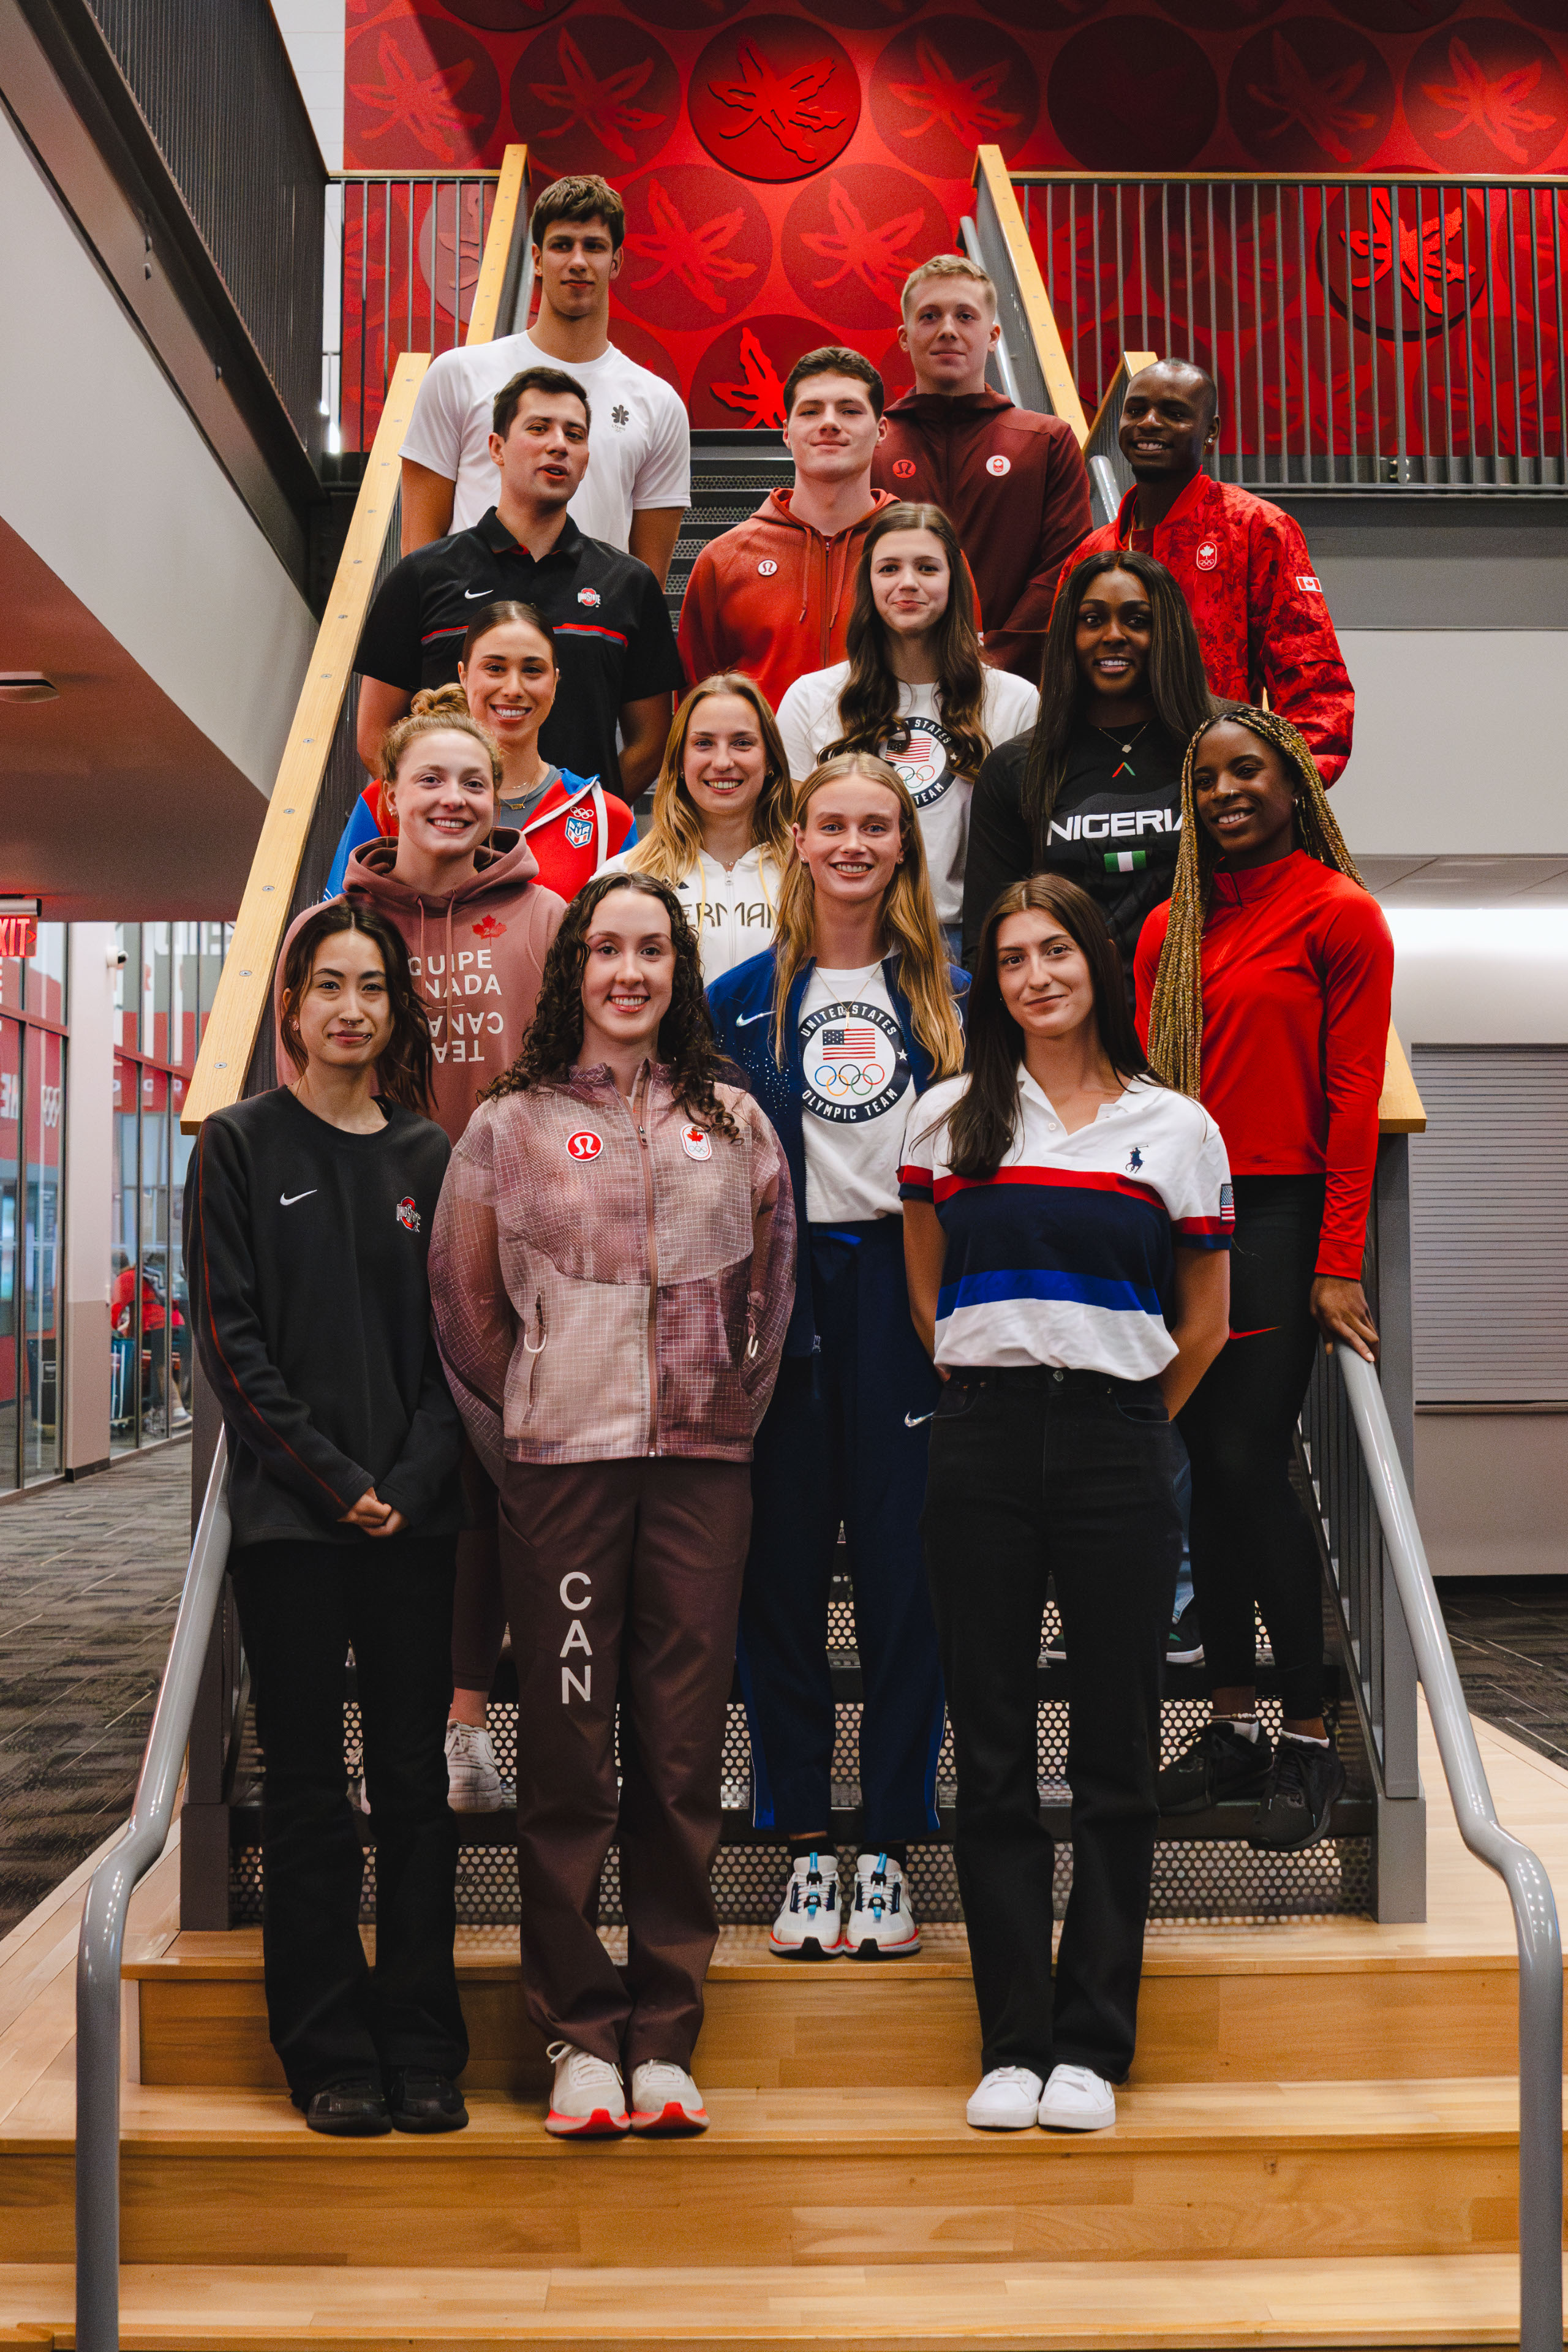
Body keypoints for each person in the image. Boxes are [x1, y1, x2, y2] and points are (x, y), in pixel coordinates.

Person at [429, 874, 794, 2138]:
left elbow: (771, 1300)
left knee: (682, 1760)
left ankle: (665, 2037)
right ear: (572, 968)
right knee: (571, 1755)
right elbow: (467, 1314)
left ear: (679, 970)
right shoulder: (510, 1126)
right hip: (560, 1474)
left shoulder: (735, 1126)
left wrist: (722, 1419)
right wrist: (532, 1434)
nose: (627, 972)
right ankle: (579, 2037)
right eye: (605, 949)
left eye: (651, 950)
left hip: (702, 1472)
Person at [903, 875, 1231, 2133]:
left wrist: (1133, 1420)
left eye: (1056, 951)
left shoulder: (1175, 1127)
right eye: (1011, 958)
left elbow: (1203, 1321)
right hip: (980, 1444)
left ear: (1098, 962)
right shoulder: (946, 1118)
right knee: (988, 1755)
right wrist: (996, 1383)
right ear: (990, 981)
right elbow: (926, 1295)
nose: (1036, 975)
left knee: (1113, 1757)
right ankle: (1012, 2043)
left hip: (1115, 1447)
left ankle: (1090, 2043)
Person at [185, 904, 467, 2138]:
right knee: (306, 1790)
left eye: (374, 987)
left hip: (416, 1520)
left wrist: (410, 1477)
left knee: (412, 1786)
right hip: (293, 1525)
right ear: (291, 1008)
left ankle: (422, 2040)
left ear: (396, 1011)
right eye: (329, 986)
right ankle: (327, 2049)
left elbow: (462, 1343)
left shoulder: (429, 1155)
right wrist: (330, 1477)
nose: (352, 1008)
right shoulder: (238, 1144)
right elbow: (229, 1340)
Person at [278, 699, 564, 1818]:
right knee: (392, 1477)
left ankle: (466, 1725)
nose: (452, 799)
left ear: (499, 798)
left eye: (473, 782)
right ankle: (402, 1729)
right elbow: (296, 1088)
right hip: (377, 1241)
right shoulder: (331, 927)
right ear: (387, 796)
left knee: (493, 1484)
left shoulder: (545, 916)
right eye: (430, 780)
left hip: (511, 1247)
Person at [707, 753, 967, 1961]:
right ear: (798, 841)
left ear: (904, 844)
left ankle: (893, 1842)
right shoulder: (737, 999)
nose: (854, 843)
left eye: (877, 825)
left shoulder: (952, 996)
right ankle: (806, 1840)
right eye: (833, 825)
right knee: (782, 1574)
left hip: (906, 1292)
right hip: (785, 1292)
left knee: (911, 1577)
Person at [1136, 707, 1393, 1852]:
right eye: (1206, 779)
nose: (1225, 792)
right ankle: (1233, 1721)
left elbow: (1353, 1103)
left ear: (1295, 785)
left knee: (1250, 1462)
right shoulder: (1168, 928)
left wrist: (1337, 1265)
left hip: (1279, 1219)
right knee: (1203, 1469)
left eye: (1247, 772)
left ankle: (1307, 1733)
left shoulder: (1341, 915)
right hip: (1183, 1220)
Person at [355, 366, 682, 801]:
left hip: (579, 837)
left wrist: (581, 815)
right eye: (539, 428)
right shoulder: (421, 576)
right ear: (497, 448)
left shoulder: (629, 583)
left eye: (575, 434)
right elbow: (375, 736)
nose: (559, 444)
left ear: (586, 460)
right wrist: (448, 811)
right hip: (453, 833)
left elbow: (651, 743)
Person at [1055, 360, 1353, 783]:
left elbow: (1312, 679)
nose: (1149, 423)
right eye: (1136, 410)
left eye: (1174, 413)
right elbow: (1061, 683)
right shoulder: (1090, 554)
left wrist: (1289, 785)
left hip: (1214, 787)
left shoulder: (1256, 529)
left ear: (1210, 431)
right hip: (1107, 785)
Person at [400, 173, 689, 584]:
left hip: (592, 619)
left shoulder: (659, 405)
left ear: (616, 262)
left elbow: (647, 584)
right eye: (561, 245)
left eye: (594, 246)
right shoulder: (458, 375)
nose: (578, 261)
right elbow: (418, 552)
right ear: (536, 259)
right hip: (474, 619)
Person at [777, 501, 1037, 957]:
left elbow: (1026, 848)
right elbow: (793, 845)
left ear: (954, 581)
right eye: (889, 568)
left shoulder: (1015, 701)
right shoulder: (811, 699)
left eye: (927, 568)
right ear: (869, 582)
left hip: (970, 939)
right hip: (850, 936)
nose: (908, 583)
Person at [963, 551, 1215, 989]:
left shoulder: (1222, 746)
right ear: (1068, 634)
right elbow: (988, 939)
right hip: (1073, 1016)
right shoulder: (1015, 768)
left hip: (1209, 1005)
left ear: (1169, 631)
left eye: (1137, 620)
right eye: (1092, 620)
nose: (1113, 635)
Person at [872, 256, 1091, 683]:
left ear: (992, 336)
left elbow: (1066, 566)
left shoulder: (1047, 440)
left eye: (965, 316)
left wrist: (995, 661)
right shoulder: (872, 443)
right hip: (889, 680)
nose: (947, 329)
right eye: (930, 316)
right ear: (905, 337)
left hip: (1016, 685)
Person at [326, 604, 632, 900]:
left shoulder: (607, 817)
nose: (513, 689)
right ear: (463, 675)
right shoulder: (391, 798)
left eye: (533, 670)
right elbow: (338, 924)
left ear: (555, 681)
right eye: (495, 668)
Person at [678, 349, 898, 714]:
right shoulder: (724, 559)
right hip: (767, 753)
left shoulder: (925, 554)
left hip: (892, 752)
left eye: (850, 410)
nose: (829, 423)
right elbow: (696, 703)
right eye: (810, 411)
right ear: (786, 433)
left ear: (881, 431)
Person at [601, 674, 792, 983]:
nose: (723, 762)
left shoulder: (808, 872)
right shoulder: (627, 876)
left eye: (742, 743)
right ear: (679, 760)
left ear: (770, 759)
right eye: (704, 744)